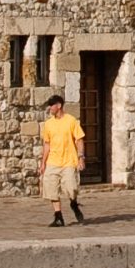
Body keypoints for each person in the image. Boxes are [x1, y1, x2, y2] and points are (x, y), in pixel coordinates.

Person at [39, 94, 84, 226]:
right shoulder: (48, 124)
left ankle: (73, 203)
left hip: (69, 161)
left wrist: (81, 157)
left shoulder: (71, 121)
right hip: (53, 161)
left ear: (58, 106)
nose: (50, 108)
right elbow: (47, 144)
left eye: (52, 105)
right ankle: (58, 217)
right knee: (51, 189)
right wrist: (43, 163)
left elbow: (79, 139)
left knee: (72, 188)